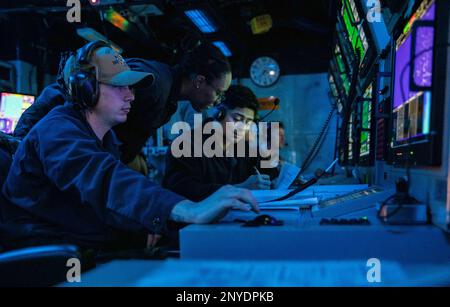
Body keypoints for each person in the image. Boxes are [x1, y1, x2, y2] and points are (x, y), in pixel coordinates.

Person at [1, 43, 257, 252]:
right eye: (119, 86)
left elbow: (101, 201)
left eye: (130, 87)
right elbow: (104, 179)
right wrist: (187, 209)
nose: (131, 96)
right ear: (87, 88)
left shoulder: (106, 140)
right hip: (42, 251)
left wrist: (146, 227)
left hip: (76, 239)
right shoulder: (57, 131)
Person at [13, 40, 232, 171]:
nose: (217, 101)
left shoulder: (167, 96)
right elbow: (68, 90)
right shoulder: (154, 82)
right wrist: (20, 139)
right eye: (219, 93)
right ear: (199, 81)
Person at [162, 85, 273, 202]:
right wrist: (239, 189)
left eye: (248, 122)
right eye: (237, 119)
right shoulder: (186, 145)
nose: (242, 127)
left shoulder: (243, 148)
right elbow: (182, 191)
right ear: (219, 113)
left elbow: (269, 171)